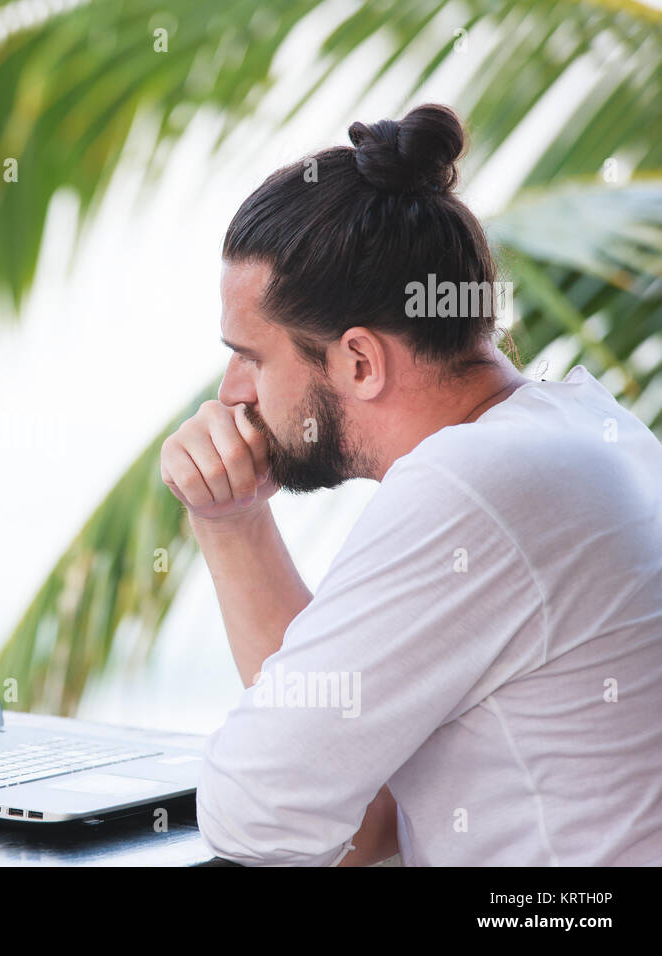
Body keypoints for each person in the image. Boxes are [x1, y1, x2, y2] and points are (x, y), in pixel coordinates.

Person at [160, 103, 662, 866]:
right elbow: (364, 819)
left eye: (252, 357)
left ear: (359, 362)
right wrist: (232, 522)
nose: (232, 392)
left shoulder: (474, 486)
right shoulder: (584, 429)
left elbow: (254, 815)